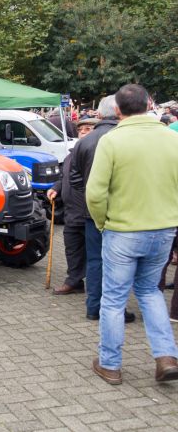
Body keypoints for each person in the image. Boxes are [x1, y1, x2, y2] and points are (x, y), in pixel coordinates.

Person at [86, 84, 178, 384]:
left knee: (113, 299)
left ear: (117, 110)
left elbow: (96, 192)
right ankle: (165, 356)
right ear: (149, 104)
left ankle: (110, 364)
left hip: (123, 230)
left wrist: (102, 223)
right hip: (163, 229)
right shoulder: (171, 137)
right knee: (151, 292)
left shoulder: (113, 140)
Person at [70, 95, 135, 324]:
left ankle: (93, 307)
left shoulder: (85, 141)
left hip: (91, 211)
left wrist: (89, 193)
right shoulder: (125, 139)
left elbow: (74, 177)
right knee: (118, 262)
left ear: (99, 114)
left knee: (96, 260)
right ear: (118, 112)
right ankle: (116, 309)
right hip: (122, 212)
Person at [47, 118, 97, 295]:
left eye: (88, 128)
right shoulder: (71, 154)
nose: (83, 132)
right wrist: (56, 188)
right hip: (71, 212)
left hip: (89, 212)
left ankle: (96, 287)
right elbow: (63, 177)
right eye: (81, 129)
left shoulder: (97, 153)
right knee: (72, 247)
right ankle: (74, 281)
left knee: (93, 252)